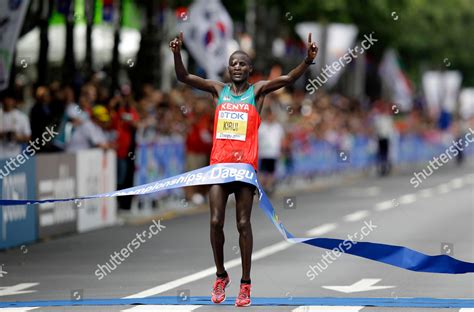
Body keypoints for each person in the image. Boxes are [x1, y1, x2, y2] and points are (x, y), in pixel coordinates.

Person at [170, 31, 318, 307]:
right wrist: (177, 53)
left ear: (249, 70)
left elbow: (287, 79)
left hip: (244, 170)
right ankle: (220, 275)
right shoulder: (218, 90)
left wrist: (307, 61)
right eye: (233, 63)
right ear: (228, 69)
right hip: (219, 167)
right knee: (215, 221)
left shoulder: (257, 91)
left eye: (242, 64)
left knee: (242, 223)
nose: (237, 67)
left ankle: (246, 283)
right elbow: (185, 78)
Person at [258, 108, 285, 194]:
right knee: (262, 172)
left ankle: (268, 188)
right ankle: (261, 188)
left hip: (273, 153)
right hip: (263, 153)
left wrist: (281, 150)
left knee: (271, 172)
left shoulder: (277, 127)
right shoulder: (262, 126)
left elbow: (281, 139)